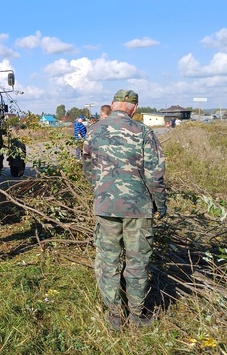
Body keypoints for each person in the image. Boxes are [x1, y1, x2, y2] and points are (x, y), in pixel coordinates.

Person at [82, 89, 166, 330]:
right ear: (135, 108)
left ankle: (115, 315)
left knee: (107, 260)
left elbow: (87, 166)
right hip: (138, 208)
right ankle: (137, 315)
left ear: (112, 104)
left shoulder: (94, 130)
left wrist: (101, 190)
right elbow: (155, 174)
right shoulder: (143, 132)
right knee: (137, 261)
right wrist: (160, 204)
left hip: (105, 205)